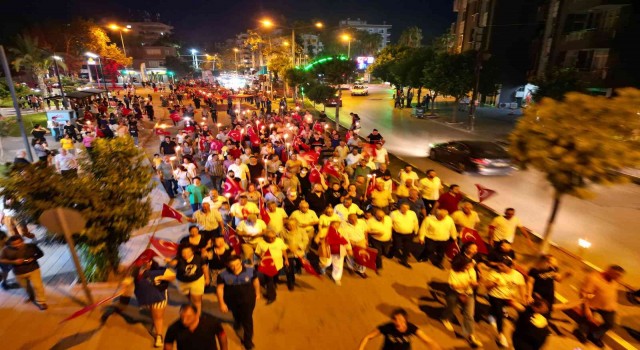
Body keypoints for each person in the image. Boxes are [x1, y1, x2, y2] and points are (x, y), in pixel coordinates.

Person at [121, 259, 176, 348]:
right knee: (154, 314)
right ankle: (154, 321)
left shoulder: (159, 270)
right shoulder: (135, 271)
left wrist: (161, 277)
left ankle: (159, 336)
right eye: (143, 261)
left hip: (158, 297)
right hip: (145, 299)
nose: (145, 263)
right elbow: (128, 280)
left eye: (148, 260)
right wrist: (125, 285)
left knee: (158, 317)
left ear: (152, 262)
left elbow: (172, 276)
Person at [574, 265, 625, 348]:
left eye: (620, 275)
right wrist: (587, 309)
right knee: (585, 321)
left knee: (610, 323)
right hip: (591, 305)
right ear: (609, 271)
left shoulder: (614, 280)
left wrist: (613, 306)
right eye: (616, 274)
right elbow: (584, 294)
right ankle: (579, 332)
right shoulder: (593, 278)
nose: (618, 277)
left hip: (607, 307)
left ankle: (594, 336)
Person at [217, 255, 260, 350]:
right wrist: (222, 303)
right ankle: (238, 321)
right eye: (232, 265)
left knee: (248, 319)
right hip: (231, 300)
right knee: (236, 314)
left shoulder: (250, 270)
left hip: (248, 300)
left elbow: (255, 281)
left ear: (241, 261)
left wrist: (257, 292)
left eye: (237, 264)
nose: (235, 267)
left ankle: (248, 340)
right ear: (227, 265)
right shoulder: (222, 274)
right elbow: (220, 289)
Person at [441, 255, 483, 348]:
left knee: (469, 315)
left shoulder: (471, 270)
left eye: (469, 265)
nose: (469, 267)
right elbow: (453, 286)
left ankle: (471, 335)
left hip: (468, 294)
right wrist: (467, 283)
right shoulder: (453, 271)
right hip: (454, 293)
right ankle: (445, 318)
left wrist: (477, 282)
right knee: (451, 308)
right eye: (467, 265)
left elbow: (473, 283)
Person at [484, 256, 527, 348]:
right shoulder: (494, 273)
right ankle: (501, 336)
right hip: (495, 296)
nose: (499, 268)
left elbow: (522, 286)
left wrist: (523, 297)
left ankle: (491, 315)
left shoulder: (517, 275)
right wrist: (494, 283)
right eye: (499, 265)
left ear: (510, 267)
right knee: (500, 315)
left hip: (509, 298)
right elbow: (486, 287)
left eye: (502, 266)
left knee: (522, 310)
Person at [0, 235, 47, 310]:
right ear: (10, 244)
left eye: (19, 243)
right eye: (14, 244)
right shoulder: (6, 250)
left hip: (33, 269)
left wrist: (33, 258)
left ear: (23, 241)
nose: (17, 245)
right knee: (26, 287)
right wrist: (13, 262)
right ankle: (31, 297)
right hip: (18, 272)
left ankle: (42, 302)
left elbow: (41, 254)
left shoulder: (31, 246)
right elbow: (1, 260)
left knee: (38, 286)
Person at [358, 308, 441, 350]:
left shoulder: (411, 328)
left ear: (405, 320)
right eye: (396, 320)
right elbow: (367, 337)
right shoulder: (387, 327)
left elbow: (428, 341)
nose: (399, 323)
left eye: (401, 320)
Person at [166, 245, 208, 316]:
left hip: (196, 280)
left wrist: (207, 278)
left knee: (197, 300)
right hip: (182, 282)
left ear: (192, 252)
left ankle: (198, 316)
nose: (185, 254)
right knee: (188, 296)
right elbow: (173, 263)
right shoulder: (178, 258)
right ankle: (192, 301)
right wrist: (169, 262)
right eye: (183, 253)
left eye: (188, 252)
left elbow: (204, 267)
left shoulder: (198, 258)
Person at [254, 230, 288, 304]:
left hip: (278, 264)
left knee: (275, 278)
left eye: (273, 238)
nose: (272, 239)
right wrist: (260, 256)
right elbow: (257, 252)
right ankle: (272, 296)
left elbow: (283, 250)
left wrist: (286, 260)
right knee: (269, 280)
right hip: (268, 266)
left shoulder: (279, 241)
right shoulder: (261, 243)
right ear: (265, 237)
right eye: (269, 238)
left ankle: (273, 285)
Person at [389, 203, 419, 269]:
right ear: (400, 207)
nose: (405, 209)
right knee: (397, 246)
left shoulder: (412, 213)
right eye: (403, 207)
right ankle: (391, 253)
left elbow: (415, 222)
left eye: (407, 208)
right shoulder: (394, 214)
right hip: (397, 234)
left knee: (407, 248)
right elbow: (390, 224)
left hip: (409, 234)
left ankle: (404, 260)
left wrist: (416, 231)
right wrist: (390, 234)